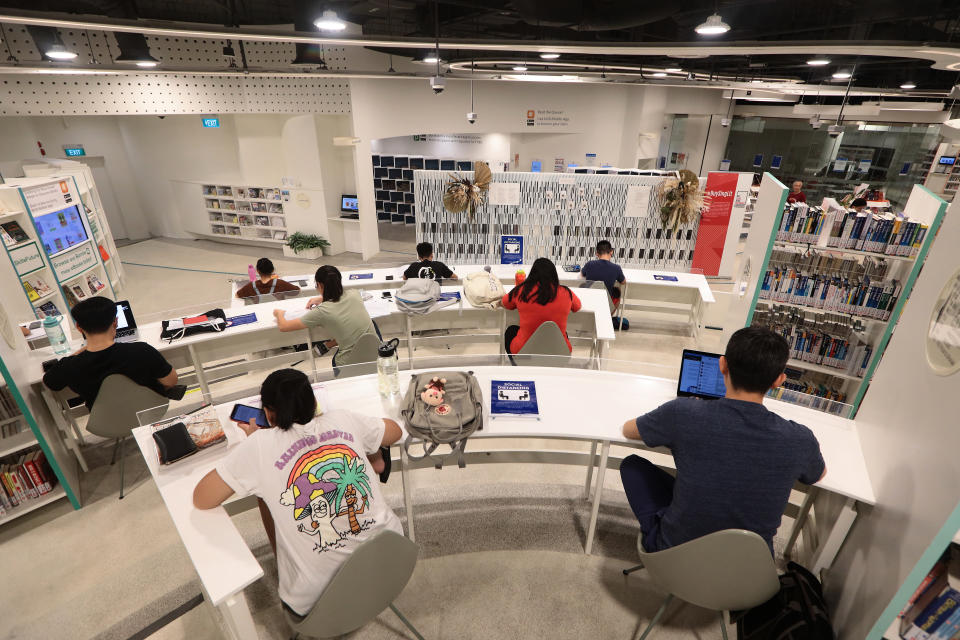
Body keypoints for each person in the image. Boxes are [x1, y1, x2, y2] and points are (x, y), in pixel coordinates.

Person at [193, 368, 403, 617]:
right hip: (394, 564)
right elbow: (395, 431)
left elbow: (202, 498)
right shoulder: (343, 419)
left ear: (269, 414)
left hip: (322, 607)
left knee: (263, 490)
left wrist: (252, 443)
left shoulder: (258, 446)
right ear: (314, 403)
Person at [619, 327, 826, 555]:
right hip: (750, 571)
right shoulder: (799, 439)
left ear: (722, 365)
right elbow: (818, 474)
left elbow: (629, 429)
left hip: (674, 554)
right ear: (779, 380)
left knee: (632, 465)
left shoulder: (683, 413)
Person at [42, 296, 181, 409]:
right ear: (115, 322)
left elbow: (51, 383)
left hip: (106, 422)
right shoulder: (141, 351)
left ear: (79, 327)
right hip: (149, 410)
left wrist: (80, 351)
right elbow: (171, 381)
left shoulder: (69, 365)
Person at [274, 265, 380, 367]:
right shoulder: (355, 294)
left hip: (349, 364)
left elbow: (284, 326)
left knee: (337, 357)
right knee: (367, 325)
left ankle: (328, 346)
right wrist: (321, 298)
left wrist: (279, 313)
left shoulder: (321, 311)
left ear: (320, 285)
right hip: (376, 356)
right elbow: (340, 295)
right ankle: (328, 344)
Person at [501, 257, 582, 356]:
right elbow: (577, 307)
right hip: (559, 353)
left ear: (532, 274)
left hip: (524, 353)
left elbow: (505, 303)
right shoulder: (566, 292)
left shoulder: (521, 290)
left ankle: (518, 364)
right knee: (563, 333)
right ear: (554, 275)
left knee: (511, 330)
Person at [581, 240, 626, 305]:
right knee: (617, 290)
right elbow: (623, 282)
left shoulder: (589, 264)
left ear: (597, 254)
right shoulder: (616, 268)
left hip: (589, 299)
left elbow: (582, 274)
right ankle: (609, 313)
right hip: (605, 302)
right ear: (611, 252)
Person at [236, 258, 300, 301]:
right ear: (272, 270)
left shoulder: (251, 286)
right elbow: (297, 291)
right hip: (279, 311)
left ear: (258, 271)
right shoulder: (280, 283)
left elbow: (237, 295)